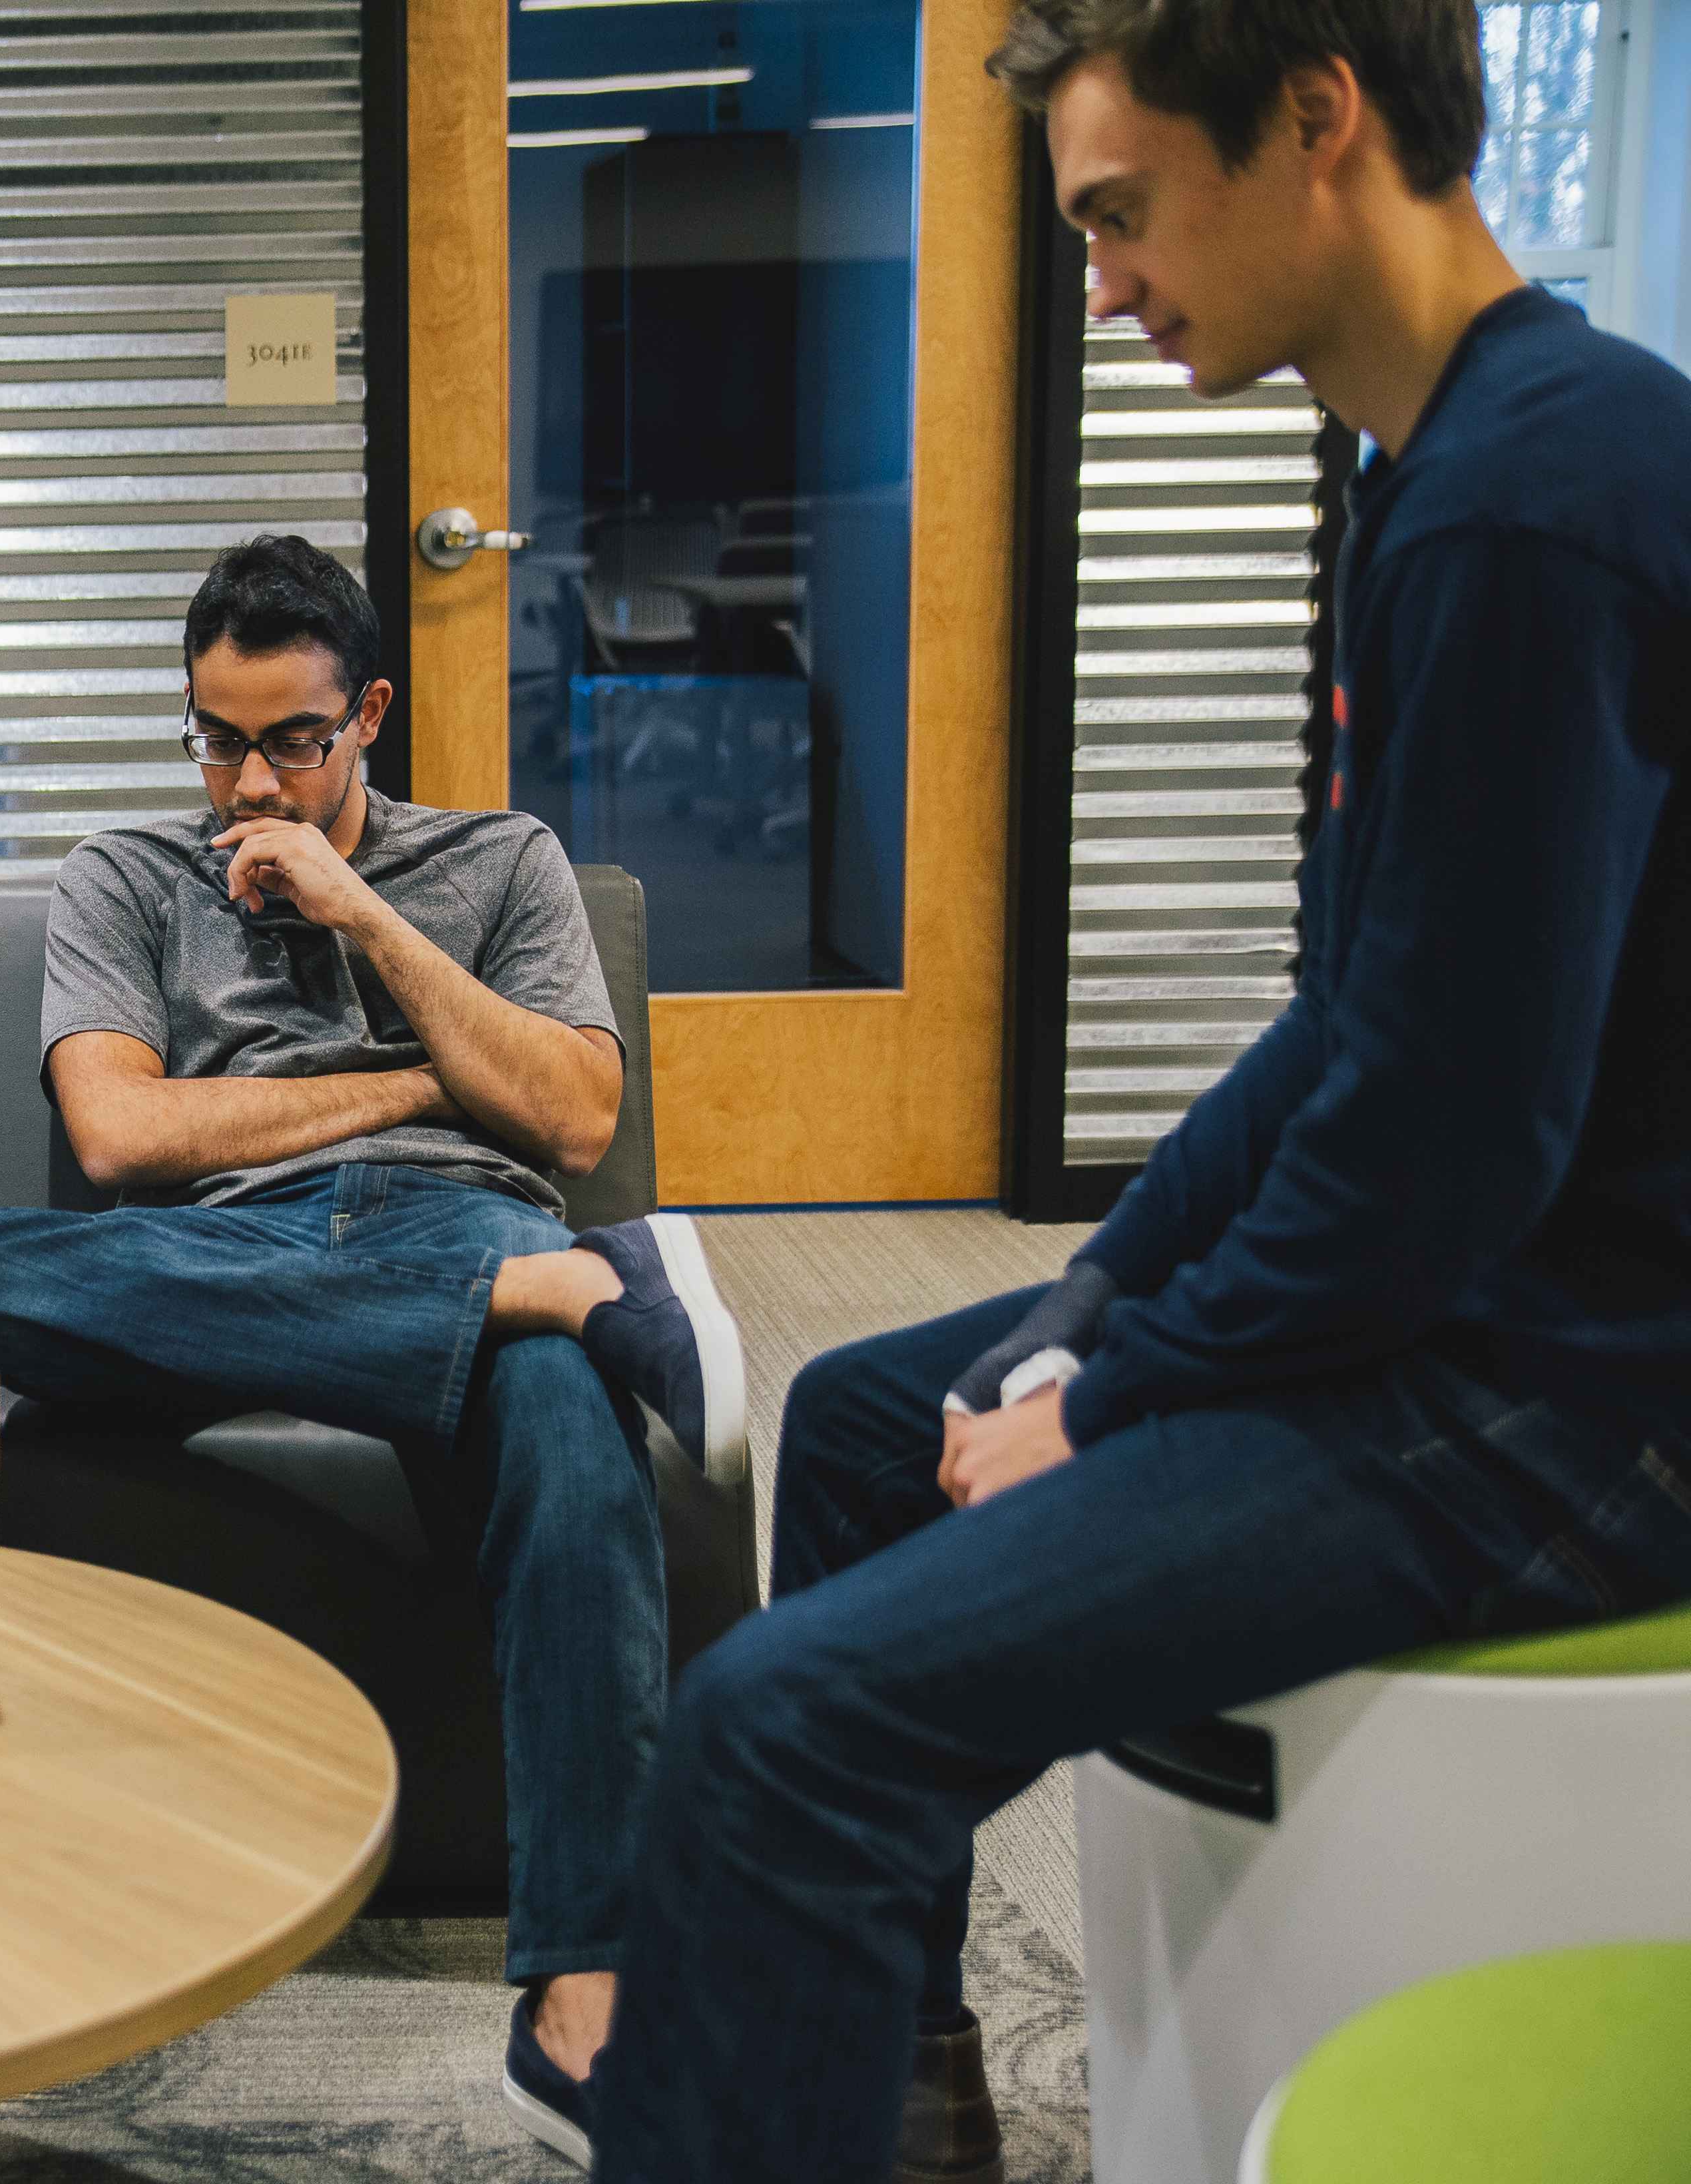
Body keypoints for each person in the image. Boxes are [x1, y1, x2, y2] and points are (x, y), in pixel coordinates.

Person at [573, 5, 1691, 2179]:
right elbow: (1346, 1034)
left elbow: (1443, 1150)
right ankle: (881, 2112)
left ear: (1309, 120)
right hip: (1471, 1309)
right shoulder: (1428, 476)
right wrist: (1093, 1313)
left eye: (1114, 216)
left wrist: (1125, 1387)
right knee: (872, 1420)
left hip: (1572, 1398)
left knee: (769, 1730)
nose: (1094, 283)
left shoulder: (1526, 510)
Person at [0, 533, 746, 2167]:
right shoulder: (124, 877)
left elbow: (574, 1113)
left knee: (572, 1431)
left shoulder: (503, 861)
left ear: (367, 713)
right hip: (224, 1250)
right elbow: (117, 1132)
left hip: (458, 1225)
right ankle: (566, 1298)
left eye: (291, 739)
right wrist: (427, 1084)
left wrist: (362, 910)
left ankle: (585, 1990)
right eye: (216, 737)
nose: (247, 782)